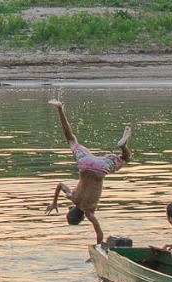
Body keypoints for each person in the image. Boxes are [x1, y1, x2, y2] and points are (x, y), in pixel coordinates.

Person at [46, 99, 132, 245]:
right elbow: (60, 185)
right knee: (71, 139)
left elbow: (99, 233)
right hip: (86, 164)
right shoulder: (72, 197)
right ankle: (60, 109)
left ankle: (123, 146)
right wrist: (54, 202)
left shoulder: (89, 212)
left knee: (126, 159)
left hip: (101, 168)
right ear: (71, 209)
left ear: (82, 217)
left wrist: (97, 249)